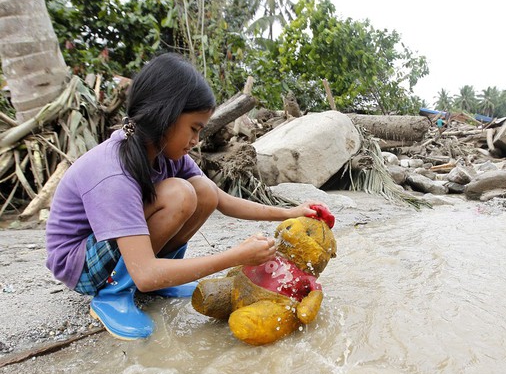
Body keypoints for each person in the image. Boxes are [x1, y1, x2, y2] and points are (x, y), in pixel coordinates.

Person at [45, 53, 324, 340]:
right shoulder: (114, 171)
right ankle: (114, 293)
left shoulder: (166, 153)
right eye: (194, 128)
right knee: (179, 194)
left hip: (121, 249)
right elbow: (145, 271)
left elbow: (221, 200)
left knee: (203, 191)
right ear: (163, 116)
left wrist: (290, 213)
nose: (196, 140)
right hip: (80, 264)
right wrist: (235, 257)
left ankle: (157, 281)